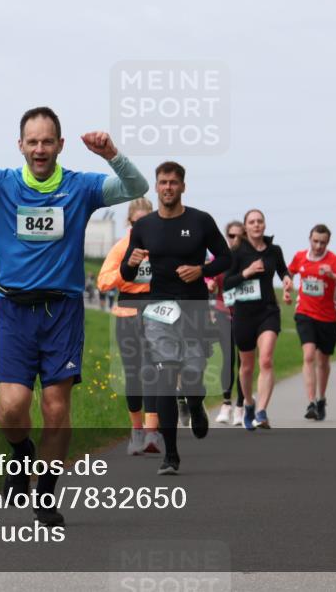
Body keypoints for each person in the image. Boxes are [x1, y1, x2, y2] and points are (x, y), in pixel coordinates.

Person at [0, 109, 148, 525]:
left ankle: (46, 493)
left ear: (60, 145)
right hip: (13, 310)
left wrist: (111, 154)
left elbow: (136, 187)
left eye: (47, 141)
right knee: (11, 407)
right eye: (32, 141)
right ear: (20, 146)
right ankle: (21, 451)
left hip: (62, 312)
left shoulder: (80, 187)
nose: (40, 149)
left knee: (55, 408)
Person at [120, 162, 231, 475]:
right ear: (156, 187)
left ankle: (195, 404)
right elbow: (126, 273)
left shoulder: (200, 221)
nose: (167, 187)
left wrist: (201, 270)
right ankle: (170, 455)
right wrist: (132, 262)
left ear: (183, 186)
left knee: (192, 378)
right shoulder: (145, 227)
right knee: (166, 379)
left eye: (173, 182)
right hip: (159, 310)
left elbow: (226, 257)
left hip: (194, 309)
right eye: (163, 182)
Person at [97, 198, 163, 455]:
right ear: (130, 222)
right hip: (127, 313)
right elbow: (103, 282)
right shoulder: (121, 247)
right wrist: (127, 270)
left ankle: (152, 433)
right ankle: (136, 431)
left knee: (151, 370)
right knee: (133, 374)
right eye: (137, 223)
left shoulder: (163, 246)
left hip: (156, 312)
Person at [224, 209, 291, 430]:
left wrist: (287, 280)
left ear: (264, 224)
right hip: (244, 314)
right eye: (252, 222)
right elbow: (227, 283)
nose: (256, 225)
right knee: (246, 367)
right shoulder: (236, 251)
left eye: (260, 221)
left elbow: (283, 270)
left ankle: (261, 411)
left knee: (266, 360)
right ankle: (249, 404)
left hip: (268, 311)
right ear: (246, 227)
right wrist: (247, 272)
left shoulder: (274, 250)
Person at [286, 224, 336, 422]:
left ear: (328, 242)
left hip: (327, 318)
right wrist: (287, 287)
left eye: (323, 243)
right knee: (309, 355)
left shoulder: (334, 260)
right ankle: (311, 402)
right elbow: (289, 273)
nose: (318, 246)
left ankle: (321, 399)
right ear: (310, 239)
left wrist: (333, 275)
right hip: (304, 313)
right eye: (315, 241)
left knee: (323, 361)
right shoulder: (300, 256)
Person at [207, 221, 246, 426]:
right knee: (227, 357)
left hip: (245, 314)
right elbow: (206, 275)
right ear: (226, 236)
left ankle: (240, 406)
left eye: (240, 235)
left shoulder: (248, 258)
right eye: (231, 235)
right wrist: (210, 284)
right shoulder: (220, 258)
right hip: (223, 313)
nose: (235, 239)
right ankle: (226, 403)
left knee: (244, 361)